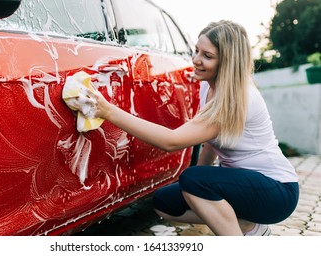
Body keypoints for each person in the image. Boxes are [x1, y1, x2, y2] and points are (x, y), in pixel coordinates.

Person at [76, 20, 299, 236]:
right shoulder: (209, 87)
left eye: (207, 56)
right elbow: (210, 143)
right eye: (196, 51)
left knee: (192, 180)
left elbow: (171, 141)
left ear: (228, 62)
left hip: (277, 190)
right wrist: (201, 181)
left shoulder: (236, 99)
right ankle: (250, 227)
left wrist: (107, 110)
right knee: (165, 203)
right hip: (244, 183)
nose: (195, 60)